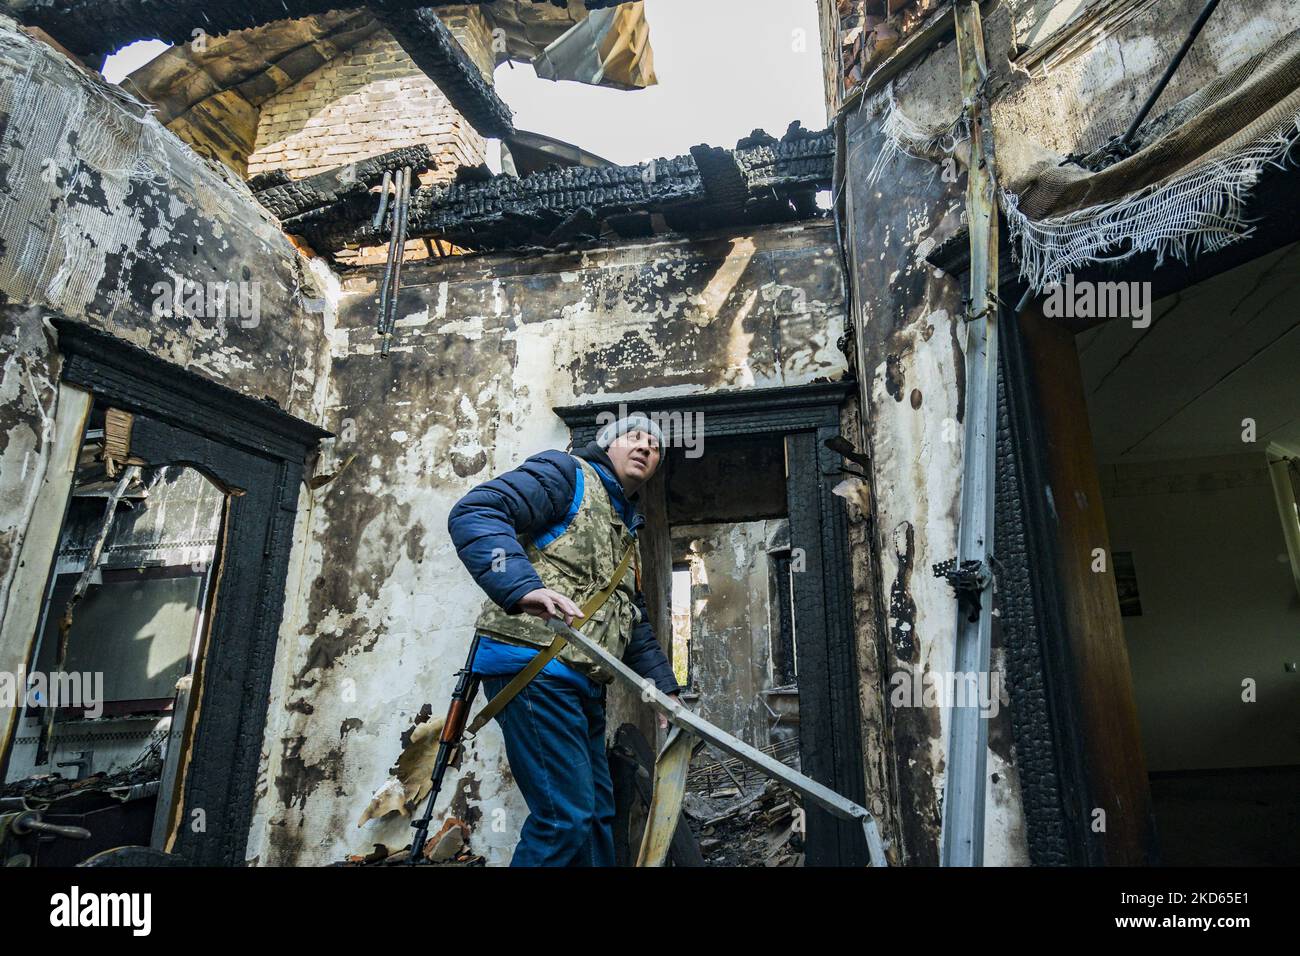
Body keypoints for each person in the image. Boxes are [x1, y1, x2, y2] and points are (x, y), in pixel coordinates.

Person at [447, 415, 681, 866]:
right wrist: (519, 586)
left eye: (655, 446)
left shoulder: (627, 528)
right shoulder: (566, 473)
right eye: (635, 437)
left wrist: (663, 691)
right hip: (533, 667)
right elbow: (476, 511)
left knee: (594, 816)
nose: (646, 448)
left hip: (583, 681)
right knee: (564, 818)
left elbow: (633, 621)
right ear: (607, 445)